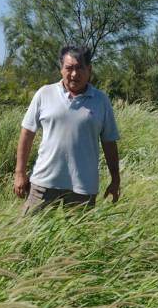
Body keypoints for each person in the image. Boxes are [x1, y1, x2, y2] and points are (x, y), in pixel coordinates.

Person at [14, 46, 120, 213]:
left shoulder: (101, 100)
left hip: (83, 189)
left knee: (79, 239)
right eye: (69, 68)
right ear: (61, 69)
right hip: (43, 184)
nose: (74, 74)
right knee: (29, 235)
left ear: (89, 69)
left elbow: (109, 143)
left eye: (80, 68)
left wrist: (116, 180)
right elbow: (26, 134)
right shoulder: (44, 94)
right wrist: (19, 173)